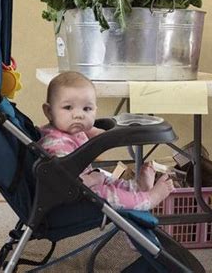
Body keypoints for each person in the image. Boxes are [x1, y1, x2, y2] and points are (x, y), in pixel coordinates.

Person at [38, 70, 174, 211]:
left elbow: (89, 131)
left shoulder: (70, 128)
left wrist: (95, 132)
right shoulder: (56, 144)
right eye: (68, 107)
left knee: (108, 179)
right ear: (49, 111)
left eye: (87, 109)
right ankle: (146, 201)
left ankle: (137, 187)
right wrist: (93, 179)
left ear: (95, 110)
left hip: (85, 179)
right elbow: (63, 182)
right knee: (104, 191)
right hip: (73, 194)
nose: (78, 115)